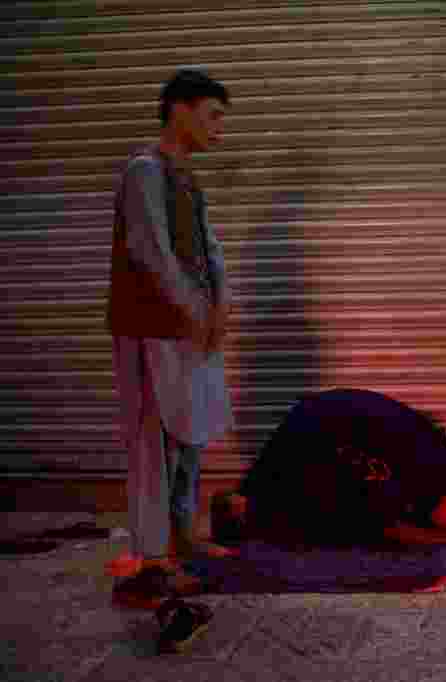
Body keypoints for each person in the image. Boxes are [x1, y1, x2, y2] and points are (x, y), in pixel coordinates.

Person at [106, 69, 233, 582]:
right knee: (154, 439)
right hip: (151, 327)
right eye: (214, 115)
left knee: (190, 434)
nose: (219, 130)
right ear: (180, 109)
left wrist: (219, 306)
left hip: (188, 328)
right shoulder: (145, 171)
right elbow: (151, 252)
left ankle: (184, 537)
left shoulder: (187, 177)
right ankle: (155, 558)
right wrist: (194, 311)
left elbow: (209, 249)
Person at [210, 388, 446, 550]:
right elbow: (393, 530)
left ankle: (238, 508)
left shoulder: (436, 466)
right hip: (317, 432)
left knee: (339, 514)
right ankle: (235, 509)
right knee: (306, 522)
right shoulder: (424, 472)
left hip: (324, 425)